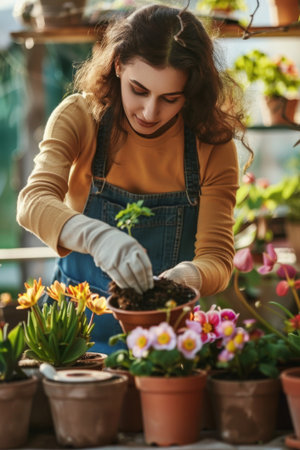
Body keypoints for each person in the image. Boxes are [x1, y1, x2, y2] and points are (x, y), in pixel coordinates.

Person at [17, 4, 253, 353]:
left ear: (191, 91)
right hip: (74, 335)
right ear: (118, 65)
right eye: (138, 90)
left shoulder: (211, 146)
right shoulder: (81, 118)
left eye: (170, 98)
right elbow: (32, 203)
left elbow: (217, 259)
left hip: (163, 338)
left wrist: (186, 278)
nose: (149, 112)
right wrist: (97, 237)